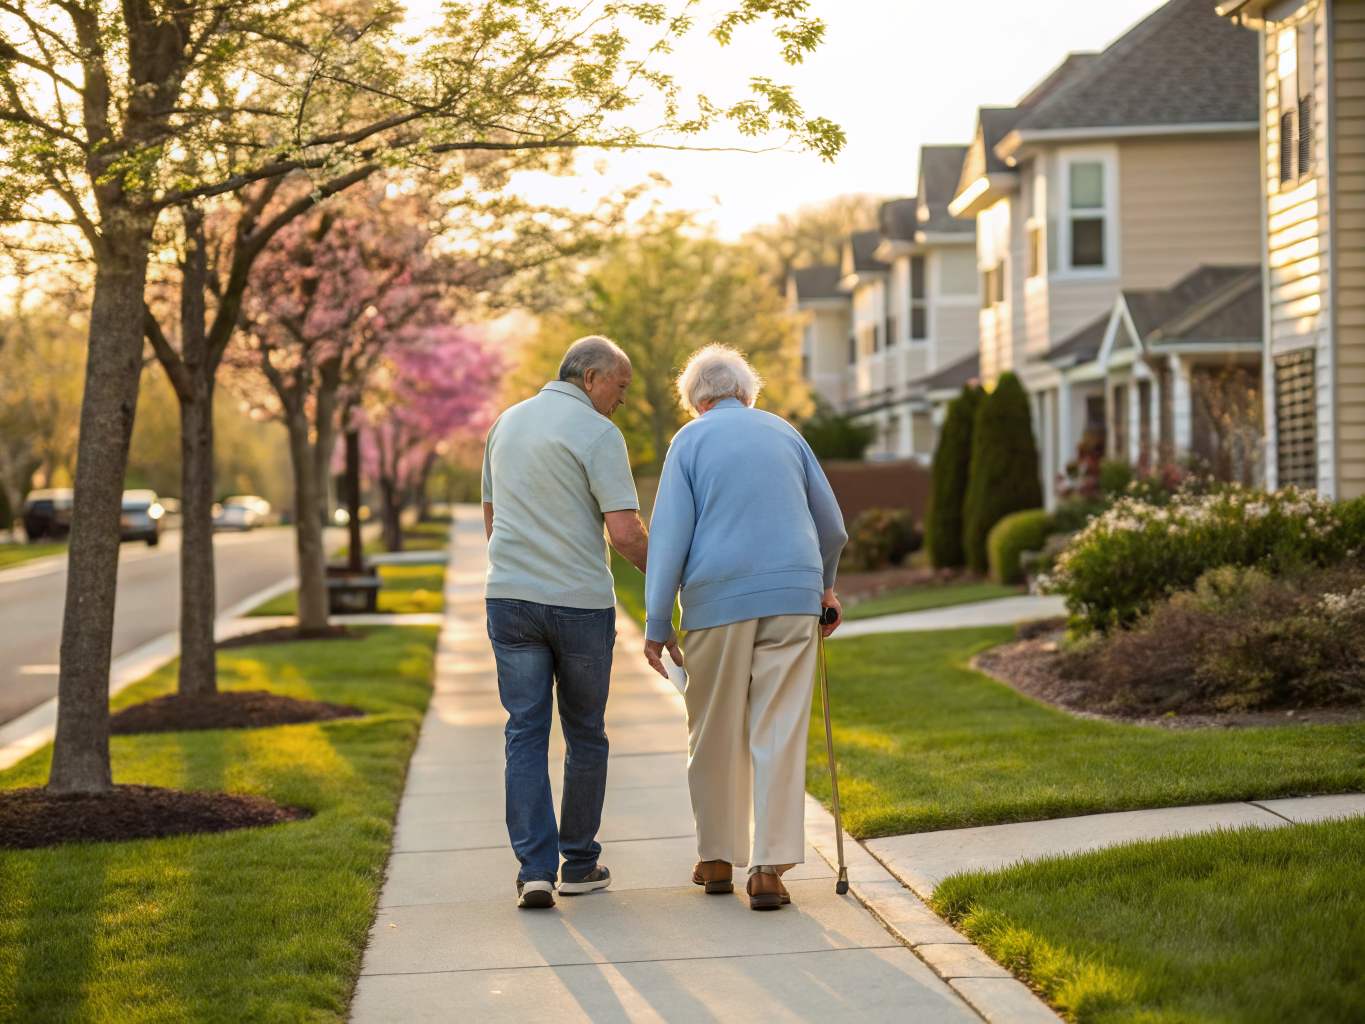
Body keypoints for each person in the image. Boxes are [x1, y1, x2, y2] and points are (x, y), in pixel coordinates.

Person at [642, 344, 846, 911]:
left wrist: (658, 624)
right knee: (778, 727)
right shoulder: (784, 433)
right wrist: (825, 587)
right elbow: (831, 527)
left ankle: (714, 858)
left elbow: (669, 541)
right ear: (747, 395)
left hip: (715, 600)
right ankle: (768, 869)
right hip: (792, 596)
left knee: (713, 727)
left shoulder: (689, 442)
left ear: (696, 404)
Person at [482, 335, 682, 909]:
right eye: (620, 387)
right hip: (580, 606)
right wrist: (670, 581)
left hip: (510, 601)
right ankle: (579, 863)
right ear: (590, 378)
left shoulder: (504, 424)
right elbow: (624, 534)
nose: (622, 400)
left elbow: (493, 523)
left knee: (524, 732)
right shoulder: (598, 433)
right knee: (585, 733)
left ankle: (535, 871)